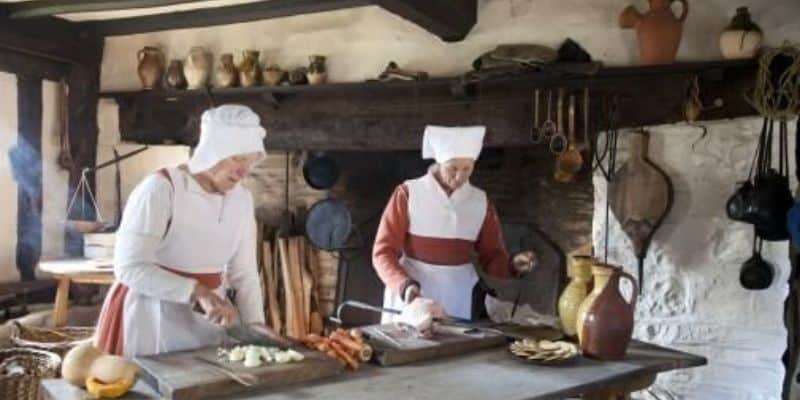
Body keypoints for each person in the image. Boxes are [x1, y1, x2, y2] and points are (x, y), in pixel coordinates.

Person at [94, 104, 281, 356]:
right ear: (214, 149)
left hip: (207, 319)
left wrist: (255, 324)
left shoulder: (242, 200)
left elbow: (244, 273)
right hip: (150, 317)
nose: (243, 170)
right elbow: (129, 267)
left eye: (249, 161)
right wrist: (197, 291)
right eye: (237, 157)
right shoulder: (162, 189)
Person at [372, 125, 537, 328]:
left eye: (467, 169)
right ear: (440, 162)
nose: (460, 177)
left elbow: (492, 257)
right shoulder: (409, 193)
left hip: (460, 297)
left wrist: (513, 265)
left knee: (454, 354)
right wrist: (405, 286)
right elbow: (382, 254)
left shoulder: (480, 202)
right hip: (412, 295)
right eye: (453, 168)